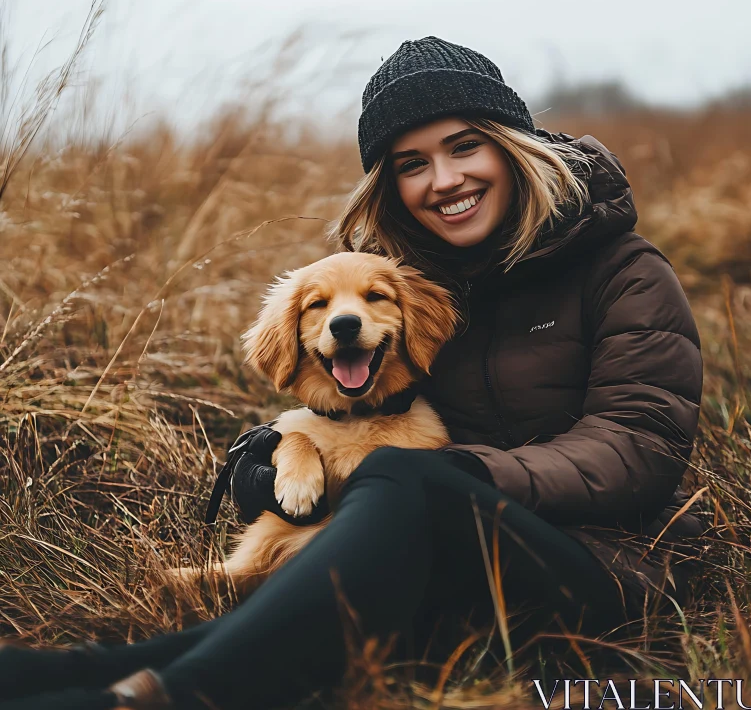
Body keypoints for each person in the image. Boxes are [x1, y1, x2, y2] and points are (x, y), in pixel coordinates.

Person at [0, 37, 704, 710]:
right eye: (411, 162)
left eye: (466, 146)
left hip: (595, 564)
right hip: (430, 540)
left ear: (511, 147)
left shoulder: (624, 271)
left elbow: (637, 445)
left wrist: (468, 473)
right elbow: (345, 404)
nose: (445, 179)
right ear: (390, 184)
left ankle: (173, 698)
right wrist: (266, 459)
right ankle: (76, 679)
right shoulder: (402, 282)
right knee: (382, 508)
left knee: (404, 476)